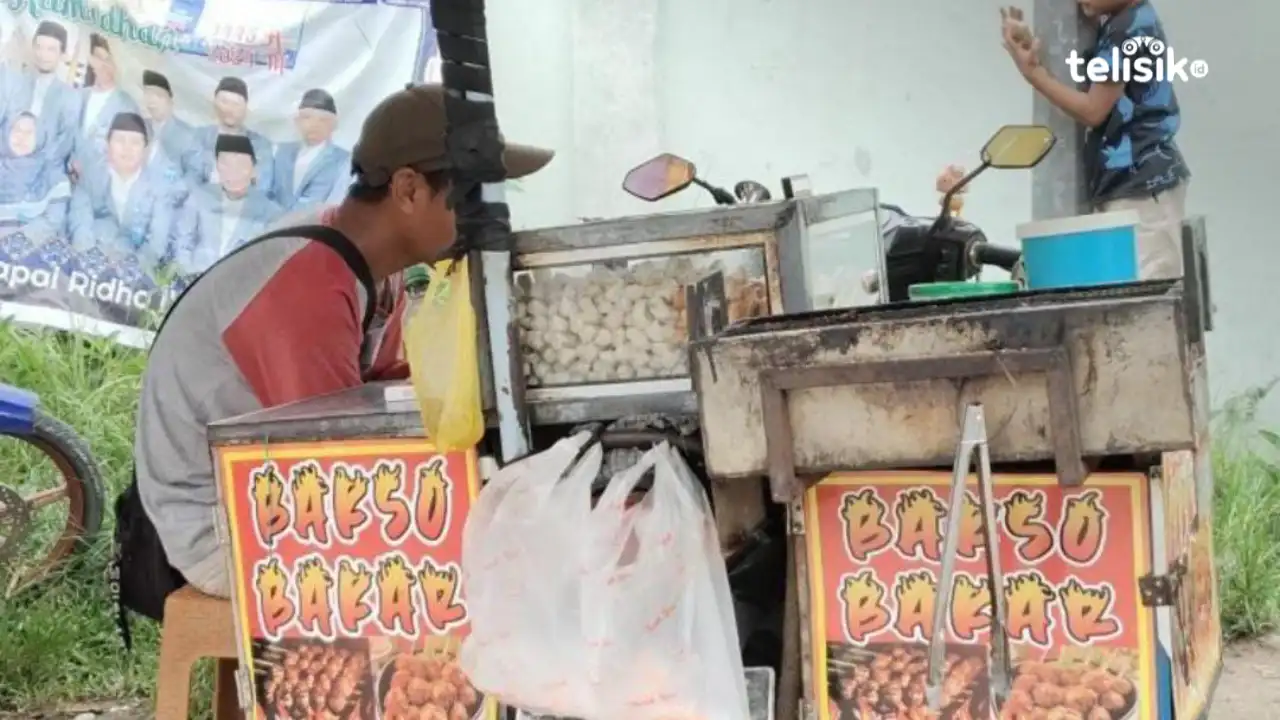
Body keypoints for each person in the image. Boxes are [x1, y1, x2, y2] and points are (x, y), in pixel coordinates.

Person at [132, 83, 553, 598]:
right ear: (409, 190)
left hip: (280, 498)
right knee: (492, 571)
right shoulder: (308, 283)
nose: (491, 220)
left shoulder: (373, 268)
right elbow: (338, 468)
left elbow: (384, 398)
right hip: (220, 531)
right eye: (475, 198)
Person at [1001, 0, 1189, 279]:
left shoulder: (1129, 31)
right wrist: (1033, 46)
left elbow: (1093, 110)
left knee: (1148, 294)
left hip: (1142, 185)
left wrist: (1034, 73)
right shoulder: (1120, 23)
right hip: (1129, 183)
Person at [68, 111, 174, 272]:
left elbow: (156, 243)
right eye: (120, 140)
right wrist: (88, 261)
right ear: (107, 144)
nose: (127, 148)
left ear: (145, 150)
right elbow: (80, 224)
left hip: (135, 275)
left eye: (135, 142)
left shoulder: (160, 189)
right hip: (88, 265)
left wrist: (129, 269)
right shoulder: (90, 177)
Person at [173, 134, 282, 275]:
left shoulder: (271, 212)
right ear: (217, 167)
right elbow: (182, 241)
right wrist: (189, 276)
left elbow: (268, 260)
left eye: (241, 165)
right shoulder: (199, 197)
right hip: (196, 280)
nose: (233, 172)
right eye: (225, 164)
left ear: (254, 169)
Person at [69, 33, 141, 181]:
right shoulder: (78, 96)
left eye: (108, 59)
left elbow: (130, 155)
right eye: (97, 57)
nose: (102, 64)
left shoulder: (127, 105)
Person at [184, 76, 273, 190]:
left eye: (236, 104)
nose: (229, 109)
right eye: (224, 102)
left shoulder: (260, 144)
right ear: (215, 104)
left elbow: (263, 186)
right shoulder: (200, 137)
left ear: (245, 109)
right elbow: (191, 178)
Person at [7, 21, 76, 166]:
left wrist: (34, 161)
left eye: (51, 49)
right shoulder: (15, 84)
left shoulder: (69, 97)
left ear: (62, 54)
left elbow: (64, 143)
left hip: (44, 171)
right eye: (39, 47)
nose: (43, 55)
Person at [270, 89, 349, 211]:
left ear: (333, 125)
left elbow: (336, 204)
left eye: (323, 120)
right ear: (298, 121)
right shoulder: (280, 151)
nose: (314, 125)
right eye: (307, 118)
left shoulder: (344, 160)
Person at [138, 69, 190, 204]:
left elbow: (193, 182)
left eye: (158, 95)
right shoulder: (138, 127)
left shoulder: (186, 135)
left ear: (171, 100)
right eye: (147, 94)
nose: (152, 101)